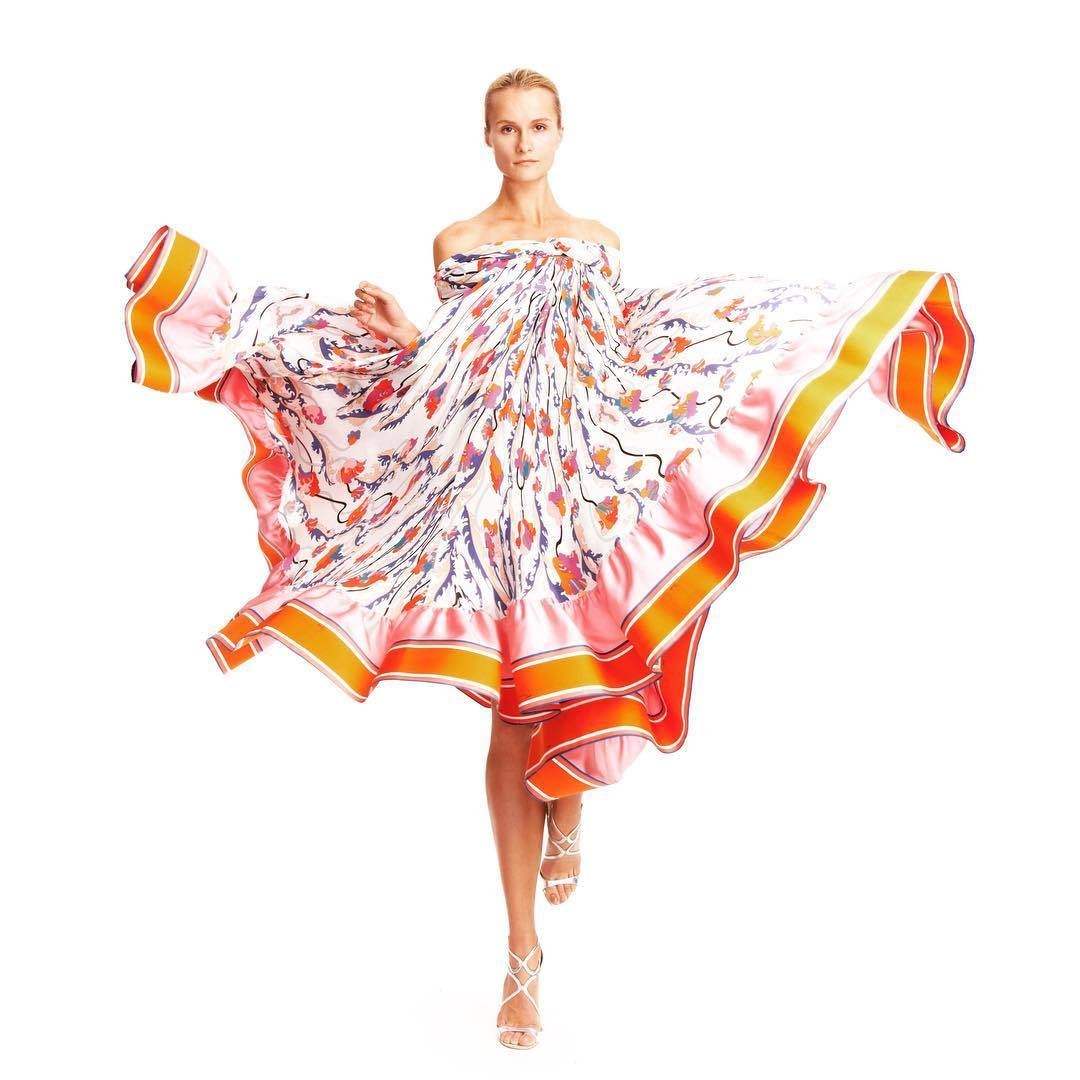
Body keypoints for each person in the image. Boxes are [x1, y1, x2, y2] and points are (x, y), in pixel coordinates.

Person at [122, 67, 973, 1050]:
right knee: (512, 709)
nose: (522, 142)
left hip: (576, 483)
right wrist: (408, 338)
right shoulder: (456, 243)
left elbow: (601, 364)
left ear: (561, 134)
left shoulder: (599, 242)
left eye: (537, 126)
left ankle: (569, 805)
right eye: (506, 128)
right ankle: (521, 955)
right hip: (490, 491)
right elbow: (463, 370)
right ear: (486, 138)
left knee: (587, 667)